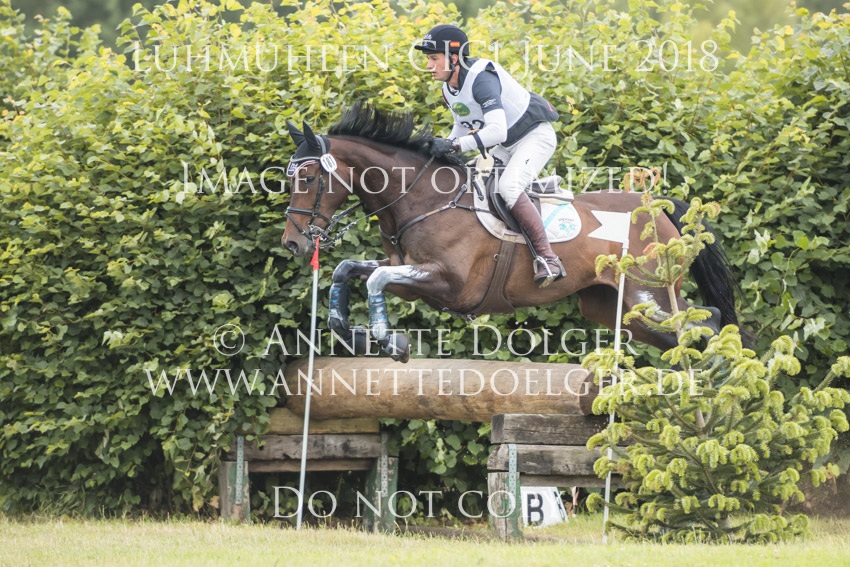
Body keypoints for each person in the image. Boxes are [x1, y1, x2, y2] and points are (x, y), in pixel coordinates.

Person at [414, 24, 566, 287]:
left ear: (454, 57)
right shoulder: (449, 88)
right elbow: (463, 125)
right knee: (474, 184)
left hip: (534, 137)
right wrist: (444, 145)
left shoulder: (481, 79)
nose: (429, 65)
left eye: (434, 58)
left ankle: (547, 257)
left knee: (508, 187)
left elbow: (497, 130)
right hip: (506, 145)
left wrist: (455, 146)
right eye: (428, 59)